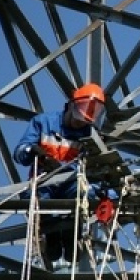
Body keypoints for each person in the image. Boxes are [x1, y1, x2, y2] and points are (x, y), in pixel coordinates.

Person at [13, 83, 111, 266]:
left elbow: (101, 174)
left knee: (84, 194)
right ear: (72, 105)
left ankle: (71, 234)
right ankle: (50, 239)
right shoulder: (44, 123)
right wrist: (36, 152)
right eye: (79, 117)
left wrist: (108, 193)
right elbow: (19, 153)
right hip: (44, 182)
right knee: (39, 201)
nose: (80, 123)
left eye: (85, 120)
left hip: (72, 184)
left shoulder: (90, 135)